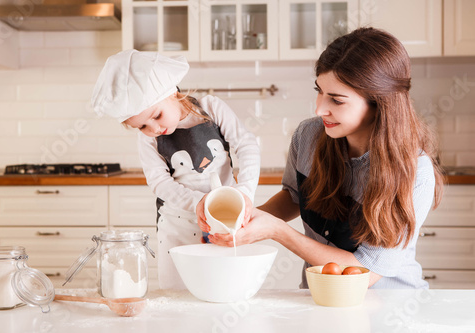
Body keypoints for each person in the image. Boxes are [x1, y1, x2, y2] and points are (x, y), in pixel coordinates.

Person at [200, 27, 444, 289]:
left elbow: (363, 272)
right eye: (319, 91)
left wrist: (276, 231)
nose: (319, 109)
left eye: (336, 100)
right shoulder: (309, 135)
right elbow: (295, 196)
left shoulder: (415, 172)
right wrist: (238, 219)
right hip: (319, 297)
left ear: (379, 104)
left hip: (389, 304)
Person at [92, 50, 260, 289]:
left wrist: (245, 192)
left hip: (226, 220)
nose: (154, 128)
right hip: (176, 226)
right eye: (142, 126)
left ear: (173, 92)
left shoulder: (212, 109)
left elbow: (247, 146)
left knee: (224, 287)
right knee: (177, 295)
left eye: (157, 115)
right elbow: (160, 183)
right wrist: (197, 203)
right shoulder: (149, 139)